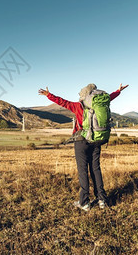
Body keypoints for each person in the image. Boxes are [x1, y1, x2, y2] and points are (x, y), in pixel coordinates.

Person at [38, 83, 128, 211]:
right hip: (96, 139)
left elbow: (63, 102)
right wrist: (118, 91)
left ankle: (84, 202)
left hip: (81, 141)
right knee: (96, 169)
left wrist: (48, 95)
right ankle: (102, 199)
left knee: (83, 171)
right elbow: (110, 97)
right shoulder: (99, 103)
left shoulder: (78, 106)